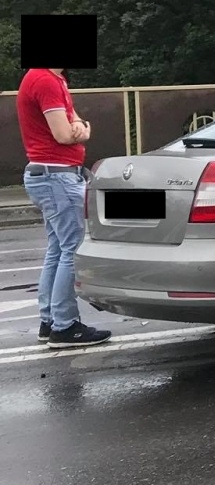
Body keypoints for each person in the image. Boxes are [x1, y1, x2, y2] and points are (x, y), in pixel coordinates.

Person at [16, 67, 111, 348]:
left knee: (58, 248)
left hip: (47, 175)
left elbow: (72, 120)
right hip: (57, 175)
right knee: (73, 248)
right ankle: (65, 325)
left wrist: (78, 125)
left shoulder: (47, 78)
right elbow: (63, 134)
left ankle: (50, 320)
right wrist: (83, 132)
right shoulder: (45, 80)